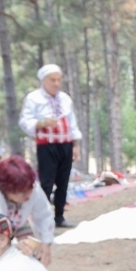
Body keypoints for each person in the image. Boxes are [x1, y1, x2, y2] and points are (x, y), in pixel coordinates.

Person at [20, 63, 83, 228]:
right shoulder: (34, 98)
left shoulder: (65, 99)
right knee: (47, 183)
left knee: (63, 181)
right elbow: (24, 121)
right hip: (47, 146)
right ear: (43, 80)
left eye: (58, 80)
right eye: (52, 80)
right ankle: (43, 218)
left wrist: (75, 146)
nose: (56, 83)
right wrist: (41, 122)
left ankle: (59, 216)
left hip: (65, 145)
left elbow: (72, 123)